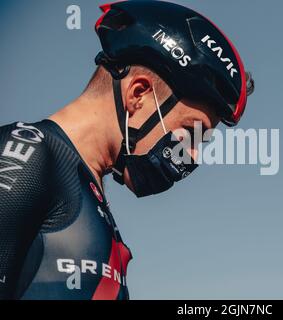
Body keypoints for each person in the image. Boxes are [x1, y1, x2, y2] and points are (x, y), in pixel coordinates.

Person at [0, 0, 254, 300]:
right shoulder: (28, 153)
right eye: (190, 133)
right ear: (139, 95)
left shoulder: (86, 188)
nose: (193, 154)